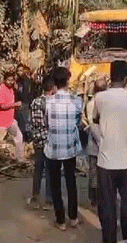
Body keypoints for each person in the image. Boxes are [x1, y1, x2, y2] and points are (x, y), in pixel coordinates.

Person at [93, 60, 127, 242]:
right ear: (125, 78)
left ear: (111, 76)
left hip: (106, 161)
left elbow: (96, 120)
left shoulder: (100, 98)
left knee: (107, 207)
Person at [44, 67, 83, 231]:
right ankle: (73, 217)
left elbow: (47, 124)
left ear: (54, 82)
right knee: (71, 182)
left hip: (53, 148)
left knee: (55, 184)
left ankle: (60, 220)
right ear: (67, 81)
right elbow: (79, 123)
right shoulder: (77, 101)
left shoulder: (48, 102)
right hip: (70, 148)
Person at [27, 75, 55, 210]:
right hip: (50, 140)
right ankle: (49, 200)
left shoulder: (35, 102)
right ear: (52, 88)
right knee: (50, 171)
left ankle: (35, 197)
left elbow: (32, 122)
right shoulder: (53, 102)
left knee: (38, 169)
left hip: (38, 140)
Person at [0, 71, 25, 166]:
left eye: (12, 80)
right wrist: (15, 105)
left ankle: (20, 159)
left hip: (10, 121)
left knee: (19, 137)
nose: (10, 82)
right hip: (1, 122)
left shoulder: (12, 89)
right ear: (4, 80)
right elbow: (2, 106)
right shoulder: (1, 90)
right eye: (9, 80)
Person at [82, 76, 108, 208]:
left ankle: (93, 197)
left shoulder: (91, 102)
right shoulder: (101, 103)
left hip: (94, 143)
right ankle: (97, 197)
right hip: (102, 143)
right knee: (100, 173)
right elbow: (93, 125)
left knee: (94, 172)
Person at [16, 64, 35, 142]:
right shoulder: (18, 81)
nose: (19, 72)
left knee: (25, 124)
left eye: (21, 70)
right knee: (21, 123)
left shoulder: (26, 81)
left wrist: (25, 103)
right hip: (20, 104)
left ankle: (27, 140)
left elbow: (27, 94)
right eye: (18, 71)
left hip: (25, 104)